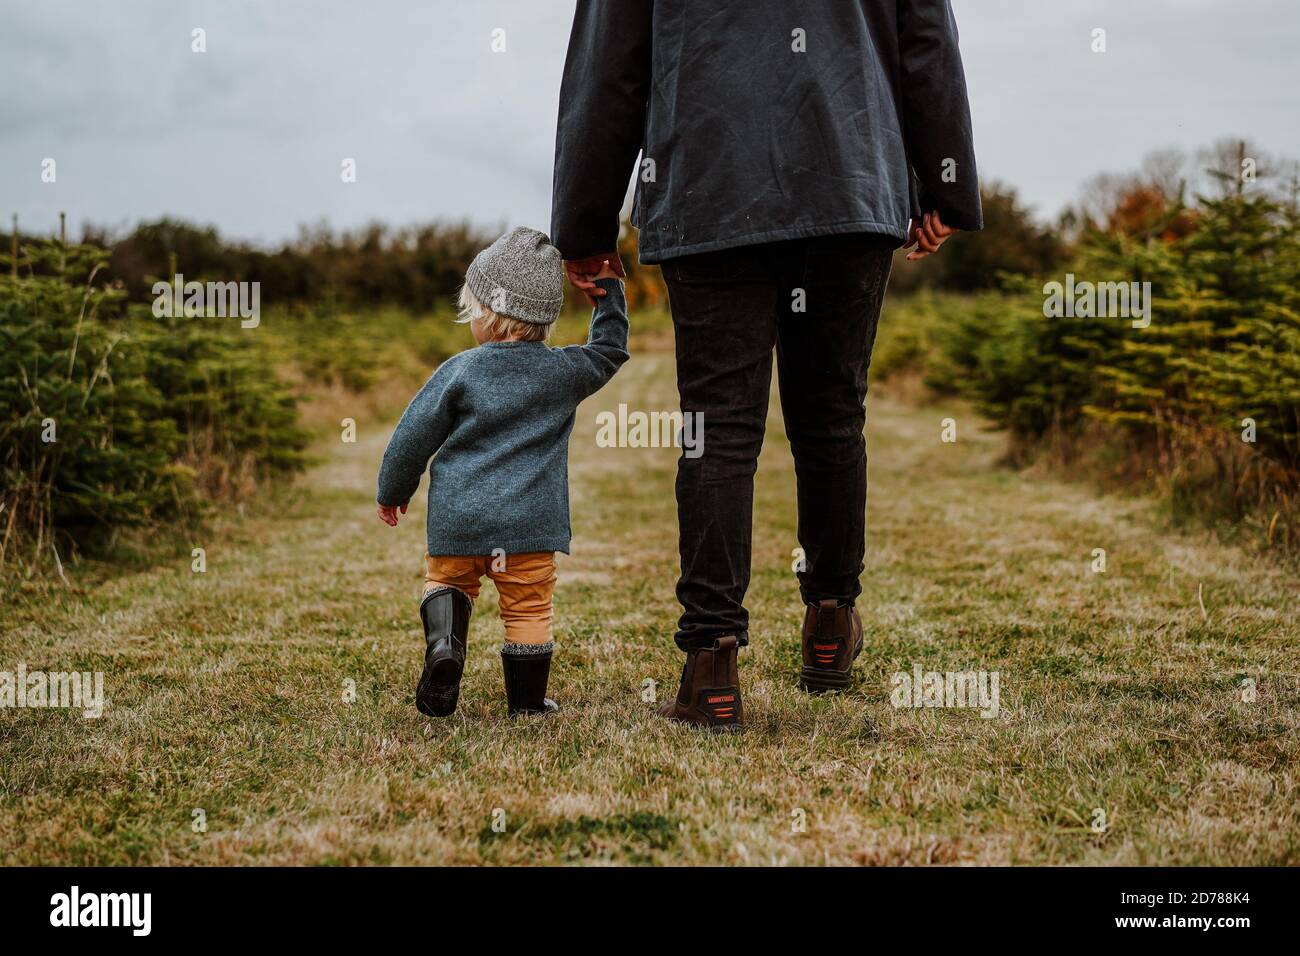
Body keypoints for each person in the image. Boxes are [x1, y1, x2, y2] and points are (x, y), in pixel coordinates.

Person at [551, 0, 982, 730]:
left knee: (715, 428)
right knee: (832, 419)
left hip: (709, 182)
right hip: (849, 175)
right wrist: (945, 184)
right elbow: (926, 42)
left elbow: (609, 68)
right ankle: (830, 624)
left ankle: (712, 664)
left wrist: (586, 223)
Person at [376, 227, 629, 718]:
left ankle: (445, 649)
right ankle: (528, 703)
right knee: (529, 609)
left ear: (488, 313)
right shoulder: (564, 371)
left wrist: (393, 490)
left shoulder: (459, 371)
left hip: (459, 521)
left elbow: (412, 438)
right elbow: (610, 350)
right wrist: (607, 290)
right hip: (530, 526)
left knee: (447, 585)